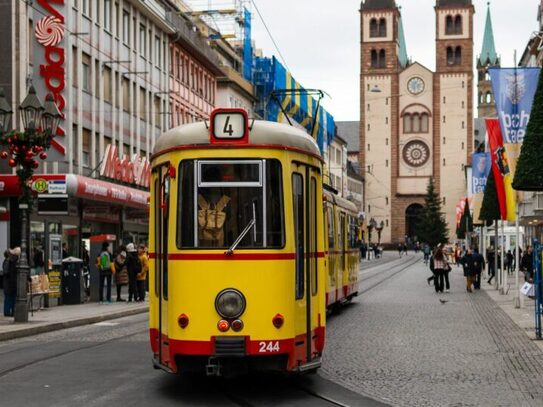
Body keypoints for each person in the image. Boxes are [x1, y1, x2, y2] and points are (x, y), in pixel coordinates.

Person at [3, 247, 19, 317]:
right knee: (9, 298)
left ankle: (10, 312)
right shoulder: (8, 261)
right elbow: (6, 273)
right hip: (9, 283)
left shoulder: (9, 261)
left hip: (9, 283)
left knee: (10, 298)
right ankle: (8, 312)